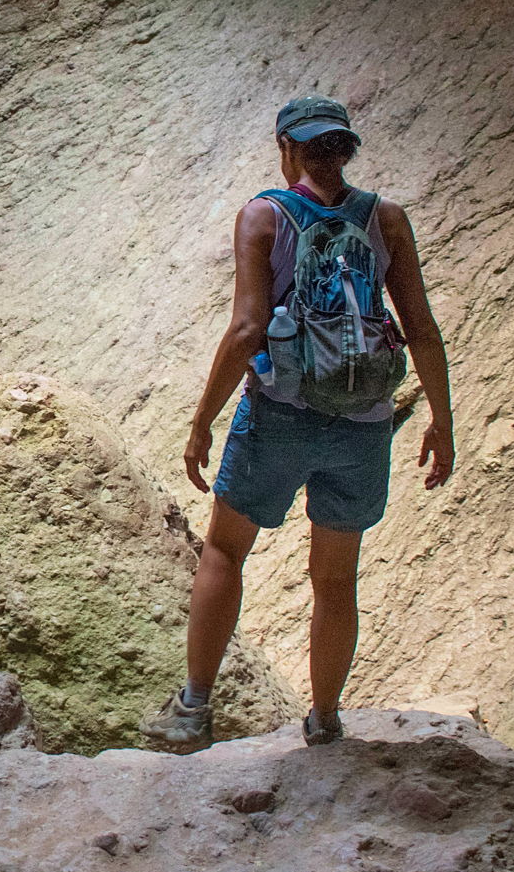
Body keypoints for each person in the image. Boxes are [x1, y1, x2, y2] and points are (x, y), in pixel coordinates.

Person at [142, 95, 454, 751]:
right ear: (344, 151)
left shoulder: (265, 215)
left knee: (226, 549)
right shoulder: (387, 220)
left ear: (288, 149)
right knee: (337, 577)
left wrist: (203, 421)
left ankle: (194, 708)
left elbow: (248, 328)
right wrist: (441, 422)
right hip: (363, 425)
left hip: (278, 416)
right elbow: (421, 327)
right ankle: (325, 718)